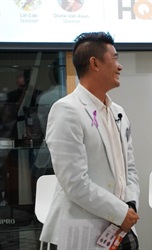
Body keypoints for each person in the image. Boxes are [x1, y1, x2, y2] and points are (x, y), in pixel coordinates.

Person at [39, 32, 140, 250]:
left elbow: (129, 168)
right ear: (94, 63)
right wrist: (120, 212)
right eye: (114, 58)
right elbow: (74, 182)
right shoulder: (67, 110)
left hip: (120, 230)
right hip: (81, 231)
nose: (120, 66)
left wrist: (130, 205)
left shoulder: (118, 112)